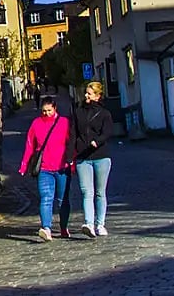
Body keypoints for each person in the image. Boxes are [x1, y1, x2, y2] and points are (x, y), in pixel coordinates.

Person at [18, 96, 75, 241]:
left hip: (62, 167)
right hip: (44, 168)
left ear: (55, 109)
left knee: (63, 200)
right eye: (44, 111)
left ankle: (63, 227)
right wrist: (24, 164)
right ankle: (46, 228)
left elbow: (71, 144)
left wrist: (72, 162)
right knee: (46, 198)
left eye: (49, 110)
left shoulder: (64, 123)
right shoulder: (36, 124)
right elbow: (30, 145)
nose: (46, 113)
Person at [71, 81, 114, 238]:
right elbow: (73, 133)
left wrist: (98, 140)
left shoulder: (104, 113)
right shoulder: (78, 112)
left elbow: (108, 131)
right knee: (86, 191)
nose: (86, 96)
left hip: (101, 156)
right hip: (83, 157)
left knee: (100, 192)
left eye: (89, 93)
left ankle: (100, 224)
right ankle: (89, 223)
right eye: (86, 93)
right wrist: (71, 154)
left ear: (97, 95)